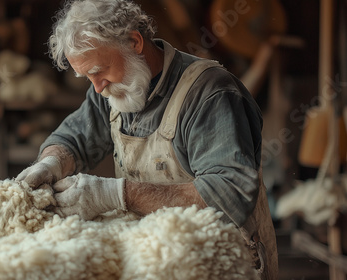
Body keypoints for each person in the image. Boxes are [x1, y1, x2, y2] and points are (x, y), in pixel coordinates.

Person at [16, 0, 278, 279]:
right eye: (86, 77)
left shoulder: (211, 94)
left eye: (98, 71)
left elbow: (229, 196)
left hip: (221, 264)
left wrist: (112, 194)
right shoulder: (109, 89)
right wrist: (50, 163)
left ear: (134, 42)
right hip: (156, 259)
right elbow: (75, 137)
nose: (97, 87)